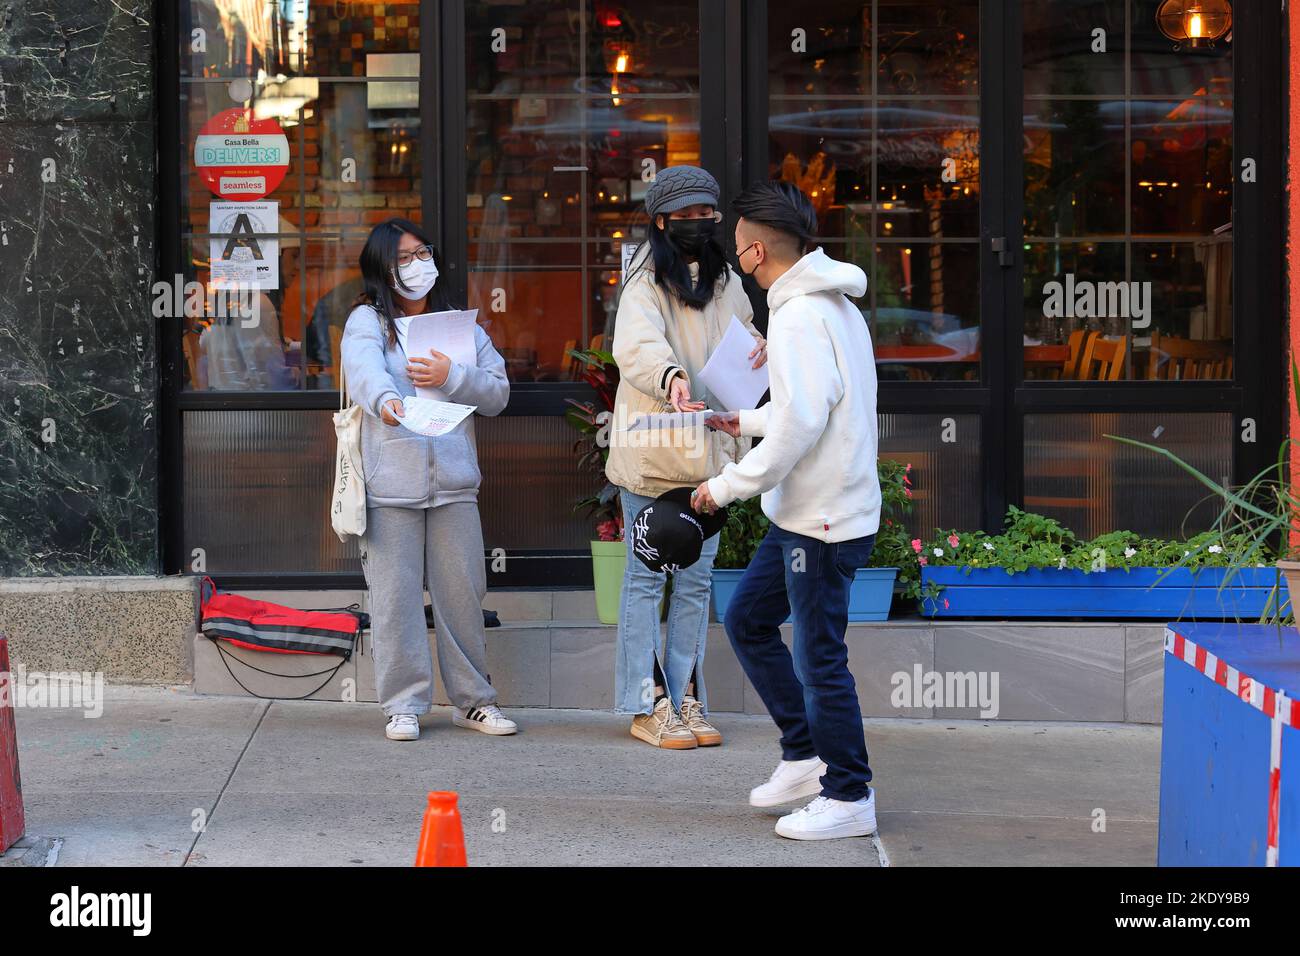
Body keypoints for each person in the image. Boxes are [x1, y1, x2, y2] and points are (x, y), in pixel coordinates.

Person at [692, 181, 881, 840]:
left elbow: (800, 424)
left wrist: (725, 487)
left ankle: (850, 794)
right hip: (810, 513)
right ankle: (804, 757)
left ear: (753, 253)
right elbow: (807, 406)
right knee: (747, 618)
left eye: (736, 244)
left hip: (823, 519)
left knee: (819, 657)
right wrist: (740, 417)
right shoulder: (826, 304)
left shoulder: (802, 315)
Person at [606, 165, 767, 749]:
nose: (700, 224)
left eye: (708, 214)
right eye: (688, 216)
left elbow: (746, 337)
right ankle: (647, 703)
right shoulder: (643, 279)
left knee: (697, 584)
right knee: (647, 581)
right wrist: (671, 377)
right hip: (651, 458)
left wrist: (764, 353)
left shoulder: (727, 281)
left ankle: (687, 697)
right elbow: (637, 346)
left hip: (711, 461)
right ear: (661, 221)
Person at [341, 217, 517, 742]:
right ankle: (404, 705)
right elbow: (363, 368)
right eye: (403, 258)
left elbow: (498, 393)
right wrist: (387, 401)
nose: (418, 266)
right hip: (390, 485)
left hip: (455, 485)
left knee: (463, 594)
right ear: (381, 269)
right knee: (394, 600)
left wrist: (452, 377)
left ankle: (474, 701)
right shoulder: (367, 321)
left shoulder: (459, 328)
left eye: (423, 253)